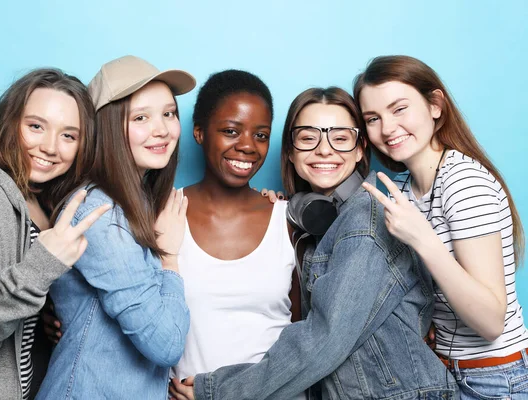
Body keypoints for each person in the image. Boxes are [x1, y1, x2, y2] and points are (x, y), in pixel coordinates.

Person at [170, 86, 458, 400]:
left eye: (340, 137)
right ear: (291, 152)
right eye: (309, 138)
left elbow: (326, 337)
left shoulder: (365, 221)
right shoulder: (321, 218)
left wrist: (217, 391)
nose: (324, 150)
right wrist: (289, 206)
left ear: (360, 149)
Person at [0, 68, 109, 399]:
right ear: (9, 124)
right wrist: (41, 267)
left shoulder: (33, 201)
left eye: (69, 136)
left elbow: (6, 305)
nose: (50, 147)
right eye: (36, 126)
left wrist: (41, 321)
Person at [356, 55, 528, 399]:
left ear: (435, 105)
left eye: (399, 109)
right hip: (442, 371)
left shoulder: (463, 182)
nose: (387, 128)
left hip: (495, 378)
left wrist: (423, 240)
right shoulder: (402, 188)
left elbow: (491, 322)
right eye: (373, 118)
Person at [36, 55, 196, 399]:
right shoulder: (98, 212)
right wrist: (169, 257)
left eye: (169, 113)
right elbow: (165, 344)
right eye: (141, 117)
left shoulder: (133, 205)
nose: (162, 129)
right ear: (107, 127)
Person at [167, 70, 302, 399]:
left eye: (261, 135)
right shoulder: (163, 214)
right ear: (199, 133)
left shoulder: (288, 220)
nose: (247, 146)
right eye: (230, 131)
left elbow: (305, 334)